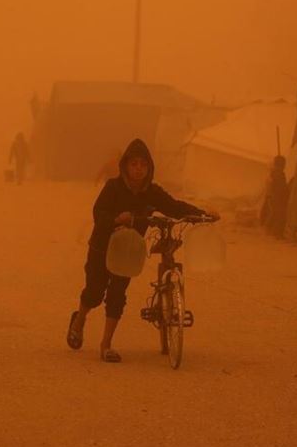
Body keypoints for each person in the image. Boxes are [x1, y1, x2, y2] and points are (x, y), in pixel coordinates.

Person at [66, 138, 216, 363]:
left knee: (117, 295)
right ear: (125, 165)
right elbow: (98, 214)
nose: (138, 169)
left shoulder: (152, 192)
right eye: (134, 164)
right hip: (101, 248)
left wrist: (203, 215)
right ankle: (79, 320)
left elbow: (174, 207)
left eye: (143, 165)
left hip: (128, 250)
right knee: (95, 292)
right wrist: (117, 218)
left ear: (149, 167)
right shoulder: (113, 188)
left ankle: (106, 344)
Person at [259, 155, 289, 238]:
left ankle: (274, 232)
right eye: (283, 164)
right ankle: (276, 233)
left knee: (275, 214)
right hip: (276, 198)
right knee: (278, 215)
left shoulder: (274, 174)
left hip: (274, 197)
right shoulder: (278, 175)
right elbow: (280, 188)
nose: (284, 166)